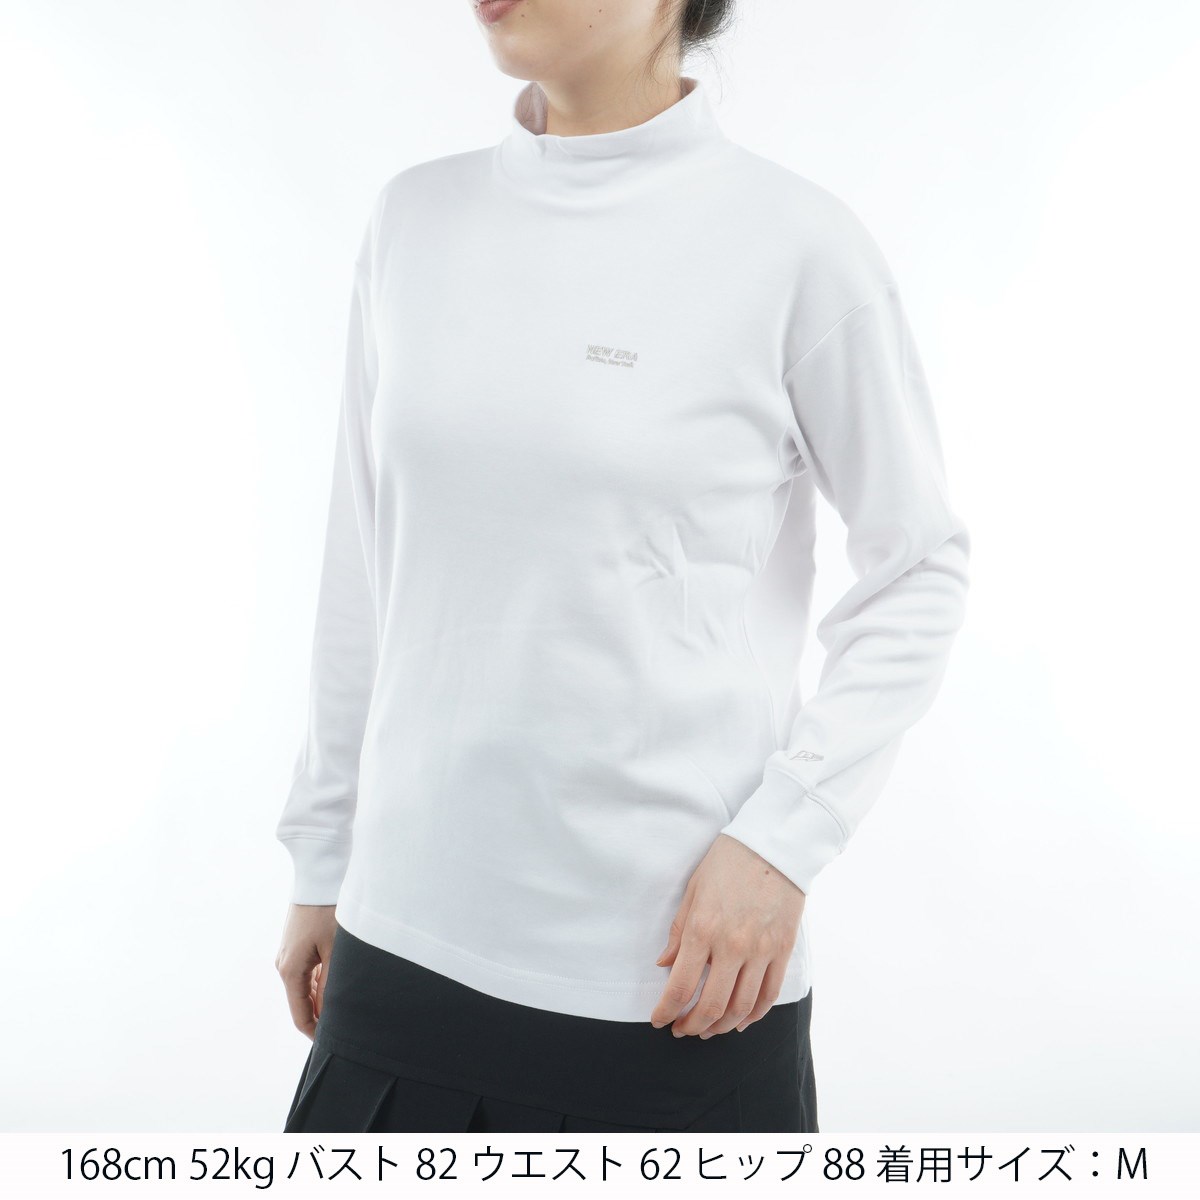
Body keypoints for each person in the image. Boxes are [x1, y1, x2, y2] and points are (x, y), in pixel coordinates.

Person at [275, 0, 971, 1134]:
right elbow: (363, 560)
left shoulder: (796, 244)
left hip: (676, 974)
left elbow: (920, 566)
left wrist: (782, 842)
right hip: (399, 947)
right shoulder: (414, 218)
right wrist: (322, 854)